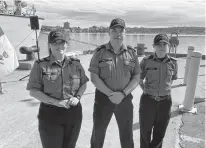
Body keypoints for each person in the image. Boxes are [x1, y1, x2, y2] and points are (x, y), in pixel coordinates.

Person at [26, 29, 89, 148]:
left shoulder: (76, 64)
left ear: (66, 44)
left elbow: (83, 83)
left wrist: (78, 97)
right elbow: (33, 91)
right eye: (55, 43)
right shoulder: (40, 65)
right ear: (49, 45)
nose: (59, 46)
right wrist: (56, 102)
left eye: (62, 42)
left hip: (73, 112)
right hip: (51, 113)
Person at [88, 18, 141, 148]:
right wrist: (111, 94)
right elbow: (94, 77)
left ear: (125, 33)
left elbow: (136, 76)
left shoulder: (131, 53)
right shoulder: (99, 52)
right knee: (98, 134)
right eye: (114, 30)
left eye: (121, 31)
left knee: (127, 135)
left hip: (125, 99)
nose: (117, 34)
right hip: (103, 99)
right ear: (109, 32)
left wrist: (122, 94)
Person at [139, 34, 178, 148]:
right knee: (145, 133)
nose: (162, 47)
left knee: (160, 134)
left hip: (165, 102)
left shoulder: (173, 63)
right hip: (148, 101)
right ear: (153, 46)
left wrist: (163, 92)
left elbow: (171, 80)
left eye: (164, 44)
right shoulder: (146, 61)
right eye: (158, 44)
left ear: (168, 46)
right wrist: (148, 92)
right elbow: (140, 80)